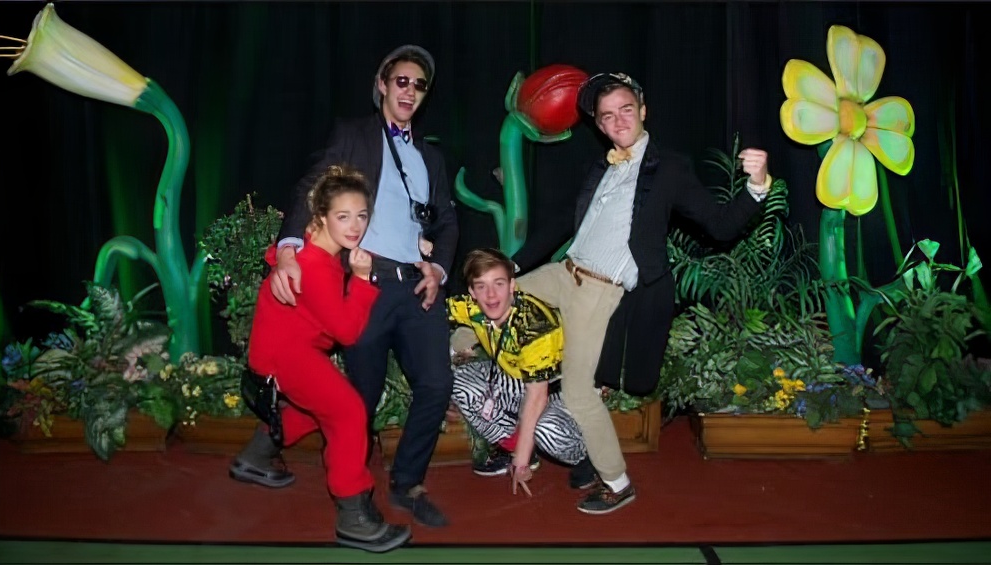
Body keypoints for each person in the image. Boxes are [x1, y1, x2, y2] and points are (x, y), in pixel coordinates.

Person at [510, 72, 773, 514]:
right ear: (599, 125)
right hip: (563, 273)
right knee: (492, 297)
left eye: (626, 110)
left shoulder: (669, 168)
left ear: (643, 111)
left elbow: (721, 226)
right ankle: (465, 388)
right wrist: (514, 265)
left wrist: (757, 186)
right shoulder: (600, 165)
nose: (618, 121)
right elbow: (562, 222)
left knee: (578, 392)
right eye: (607, 116)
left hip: (599, 292)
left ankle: (617, 483)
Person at [262, 45, 458, 528]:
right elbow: (312, 186)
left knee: (436, 384)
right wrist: (288, 248)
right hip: (366, 284)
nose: (410, 91)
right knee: (359, 400)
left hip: (416, 287)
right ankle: (269, 447)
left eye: (419, 85)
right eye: (401, 81)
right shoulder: (353, 135)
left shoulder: (431, 157)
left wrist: (438, 270)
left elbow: (447, 223)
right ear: (383, 85)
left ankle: (407, 482)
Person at [230, 165, 410, 552]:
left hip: (282, 348)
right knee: (348, 413)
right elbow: (346, 332)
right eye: (343, 216)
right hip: (286, 355)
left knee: (318, 409)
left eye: (361, 215)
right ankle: (354, 517)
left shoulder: (310, 250)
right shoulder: (313, 265)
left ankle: (255, 457)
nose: (355, 226)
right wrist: (361, 280)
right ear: (322, 217)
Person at [447, 248, 596, 495]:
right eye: (481, 286)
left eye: (498, 284)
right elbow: (427, 311)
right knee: (457, 382)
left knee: (547, 429)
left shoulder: (534, 326)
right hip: (517, 378)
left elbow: (537, 397)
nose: (491, 295)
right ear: (472, 292)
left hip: (561, 389)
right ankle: (515, 444)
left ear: (512, 286)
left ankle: (587, 456)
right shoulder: (471, 307)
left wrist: (521, 462)